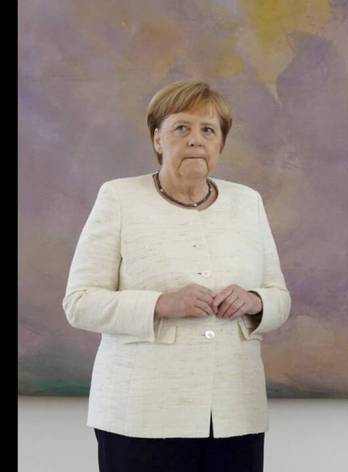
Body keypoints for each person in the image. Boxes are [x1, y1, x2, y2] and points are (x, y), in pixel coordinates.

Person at [63, 79, 291, 471]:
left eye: (209, 130)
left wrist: (255, 301)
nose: (196, 140)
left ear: (221, 143)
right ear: (157, 138)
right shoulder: (119, 198)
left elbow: (279, 297)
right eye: (181, 128)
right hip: (141, 415)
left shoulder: (248, 202)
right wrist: (161, 304)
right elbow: (79, 302)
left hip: (235, 413)